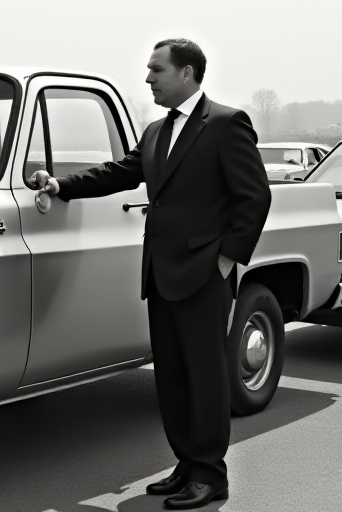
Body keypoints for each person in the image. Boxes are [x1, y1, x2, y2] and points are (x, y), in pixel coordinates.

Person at [30, 38, 271, 510]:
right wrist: (62, 185)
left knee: (204, 377)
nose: (148, 78)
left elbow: (254, 197)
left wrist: (226, 260)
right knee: (173, 378)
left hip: (203, 274)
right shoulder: (157, 130)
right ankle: (187, 464)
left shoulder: (226, 124)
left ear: (186, 73)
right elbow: (120, 172)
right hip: (160, 275)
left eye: (156, 70)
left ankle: (210, 475)